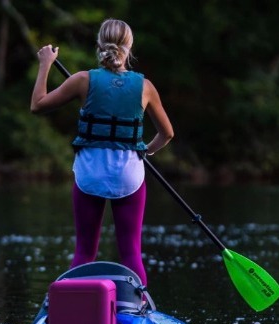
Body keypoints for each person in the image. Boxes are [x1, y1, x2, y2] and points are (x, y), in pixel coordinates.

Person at [31, 18, 174, 287]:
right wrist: (145, 151)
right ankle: (139, 306)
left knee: (85, 252)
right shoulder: (145, 87)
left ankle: (72, 305)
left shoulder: (82, 80)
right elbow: (167, 134)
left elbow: (37, 105)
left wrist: (45, 65)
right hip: (129, 176)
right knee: (130, 251)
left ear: (99, 44)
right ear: (129, 47)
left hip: (90, 175)